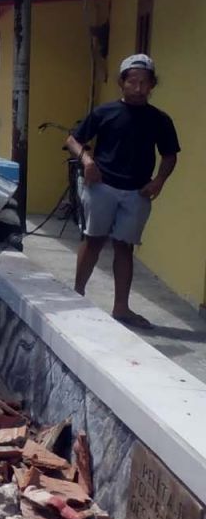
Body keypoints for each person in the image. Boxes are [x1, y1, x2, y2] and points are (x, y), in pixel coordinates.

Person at [64, 53, 179, 330]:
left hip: (137, 192)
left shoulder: (159, 120)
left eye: (145, 83)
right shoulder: (105, 112)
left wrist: (159, 181)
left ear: (152, 85)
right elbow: (73, 139)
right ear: (122, 83)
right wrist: (87, 161)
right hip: (102, 186)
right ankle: (76, 294)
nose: (138, 88)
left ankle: (121, 308)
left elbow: (170, 155)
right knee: (93, 240)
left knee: (124, 248)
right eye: (133, 82)